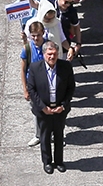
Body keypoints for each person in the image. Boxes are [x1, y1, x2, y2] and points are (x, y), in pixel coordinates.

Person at [26, 42, 74, 174]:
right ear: (44, 54)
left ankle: (59, 162)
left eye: (54, 54)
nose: (52, 57)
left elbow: (71, 88)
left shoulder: (65, 67)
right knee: (45, 137)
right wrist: (42, 107)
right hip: (43, 110)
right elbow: (31, 89)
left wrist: (63, 106)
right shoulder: (35, 68)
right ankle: (47, 162)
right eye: (49, 54)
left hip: (60, 109)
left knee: (59, 136)